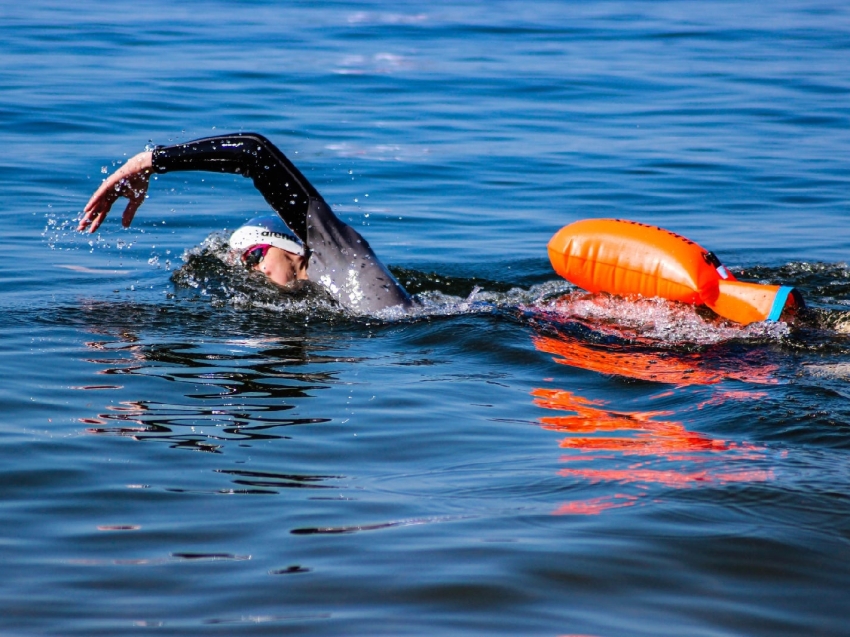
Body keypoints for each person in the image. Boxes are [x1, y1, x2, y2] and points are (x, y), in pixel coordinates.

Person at [79, 132, 413, 314]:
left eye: (254, 256)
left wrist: (150, 161)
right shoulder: (320, 303)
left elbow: (253, 152)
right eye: (245, 266)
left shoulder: (337, 252)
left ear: (291, 247)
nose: (254, 271)